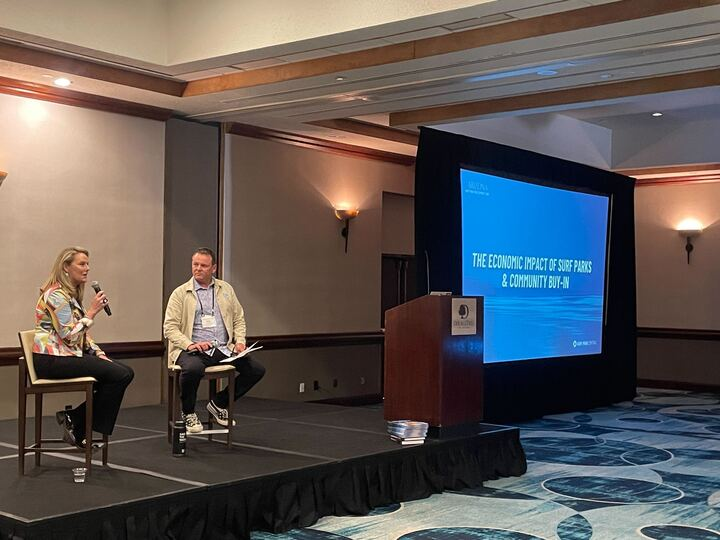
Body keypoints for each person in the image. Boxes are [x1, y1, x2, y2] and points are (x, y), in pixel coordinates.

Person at [33, 247, 134, 448]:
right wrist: (92, 312)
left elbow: (84, 337)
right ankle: (77, 422)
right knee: (120, 374)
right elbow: (70, 337)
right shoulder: (55, 295)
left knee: (125, 372)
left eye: (88, 264)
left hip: (68, 356)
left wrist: (99, 353)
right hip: (51, 360)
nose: (87, 268)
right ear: (66, 267)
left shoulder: (69, 296)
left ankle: (75, 422)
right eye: (82, 264)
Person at [163, 247, 265, 433]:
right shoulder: (180, 293)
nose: (198, 269)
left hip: (223, 348)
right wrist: (190, 344)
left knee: (256, 370)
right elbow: (169, 328)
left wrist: (240, 342)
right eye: (195, 264)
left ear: (214, 268)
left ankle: (219, 403)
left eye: (203, 265)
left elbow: (238, 318)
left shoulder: (226, 289)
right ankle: (188, 412)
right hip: (191, 350)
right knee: (193, 369)